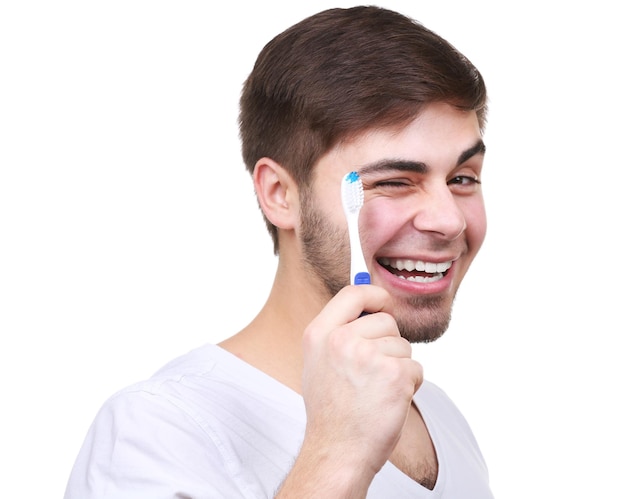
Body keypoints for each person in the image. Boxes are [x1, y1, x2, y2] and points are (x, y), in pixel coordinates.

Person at [64, 5, 493, 498]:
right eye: (395, 181)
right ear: (279, 194)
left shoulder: (441, 419)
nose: (449, 220)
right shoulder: (157, 431)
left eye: (462, 179)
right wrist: (336, 454)